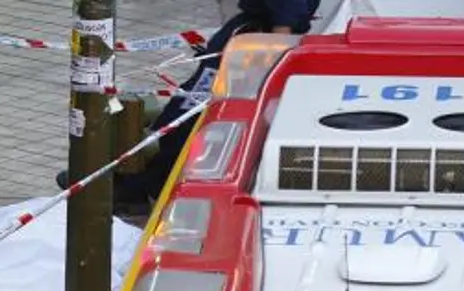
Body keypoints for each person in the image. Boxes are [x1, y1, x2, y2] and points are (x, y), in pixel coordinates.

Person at [57, 0, 321, 213]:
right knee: (183, 111)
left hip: (254, 42)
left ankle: (142, 186)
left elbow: (287, 15)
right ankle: (141, 182)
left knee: (186, 117)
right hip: (251, 38)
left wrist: (271, 51)